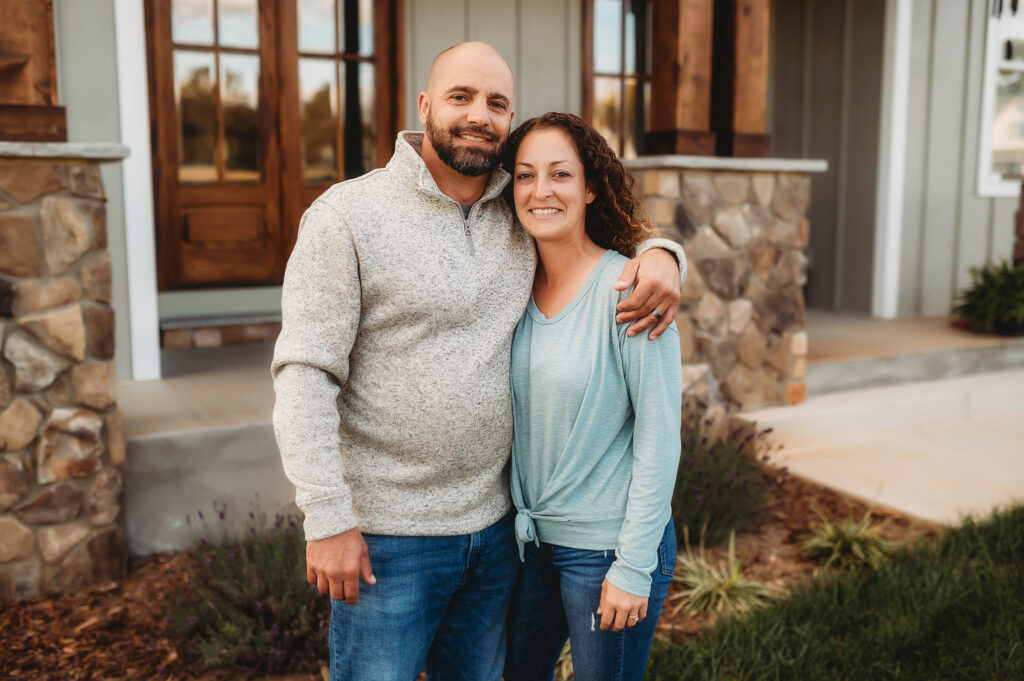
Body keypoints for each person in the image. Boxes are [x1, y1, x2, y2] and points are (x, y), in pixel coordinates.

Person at [271, 42, 685, 680]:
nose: (479, 116)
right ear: (425, 106)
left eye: (497, 103)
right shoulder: (347, 217)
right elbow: (304, 374)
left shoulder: (514, 209)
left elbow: (592, 229)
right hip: (389, 540)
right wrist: (326, 517)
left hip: (497, 540)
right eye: (461, 97)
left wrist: (662, 254)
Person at [503, 113, 682, 681]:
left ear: (591, 188)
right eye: (526, 175)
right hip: (532, 546)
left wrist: (634, 566)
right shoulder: (511, 287)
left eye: (560, 174)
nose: (541, 191)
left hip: (608, 549)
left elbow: (659, 439)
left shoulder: (631, 292)